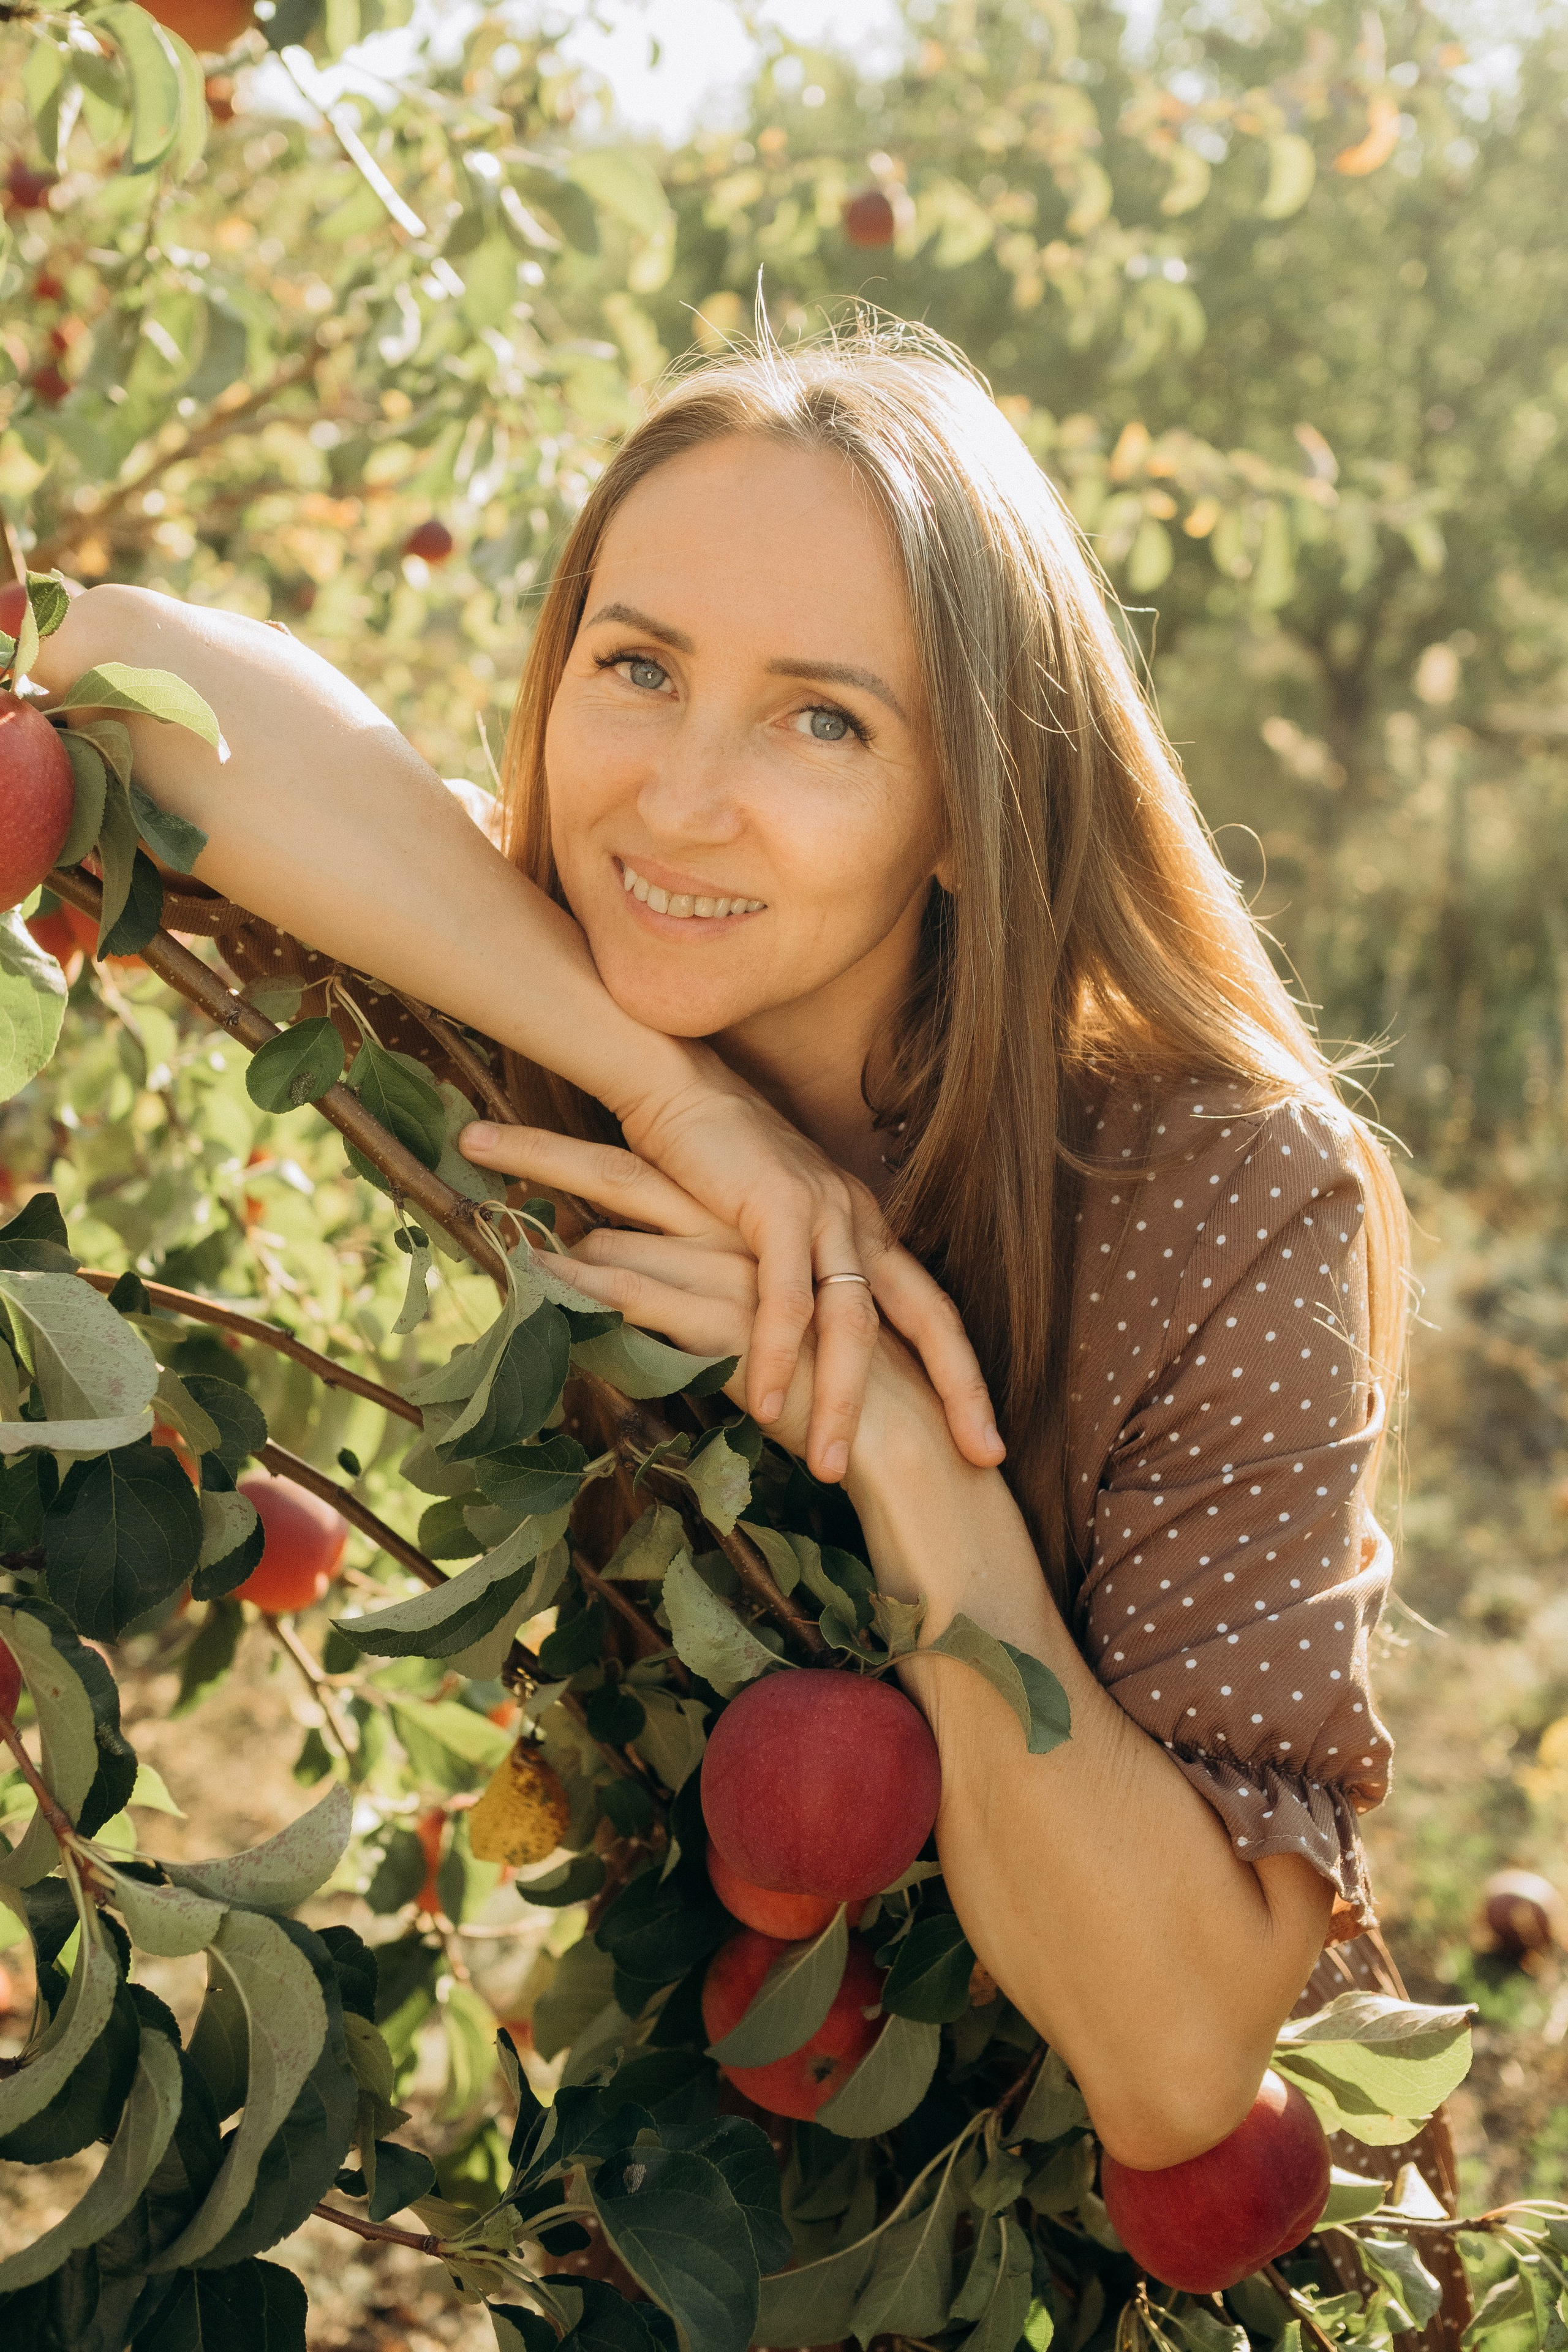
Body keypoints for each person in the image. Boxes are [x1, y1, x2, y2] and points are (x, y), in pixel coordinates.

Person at [34, 323, 1411, 2179]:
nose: (677, 802)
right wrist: (666, 1093)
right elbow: (99, 666)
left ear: (971, 802)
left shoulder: (1216, 1191)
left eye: (823, 718)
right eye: (639, 667)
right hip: (711, 2129)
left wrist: (917, 1457)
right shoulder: (536, 979)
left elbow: (1175, 2068)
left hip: (1079, 2218)